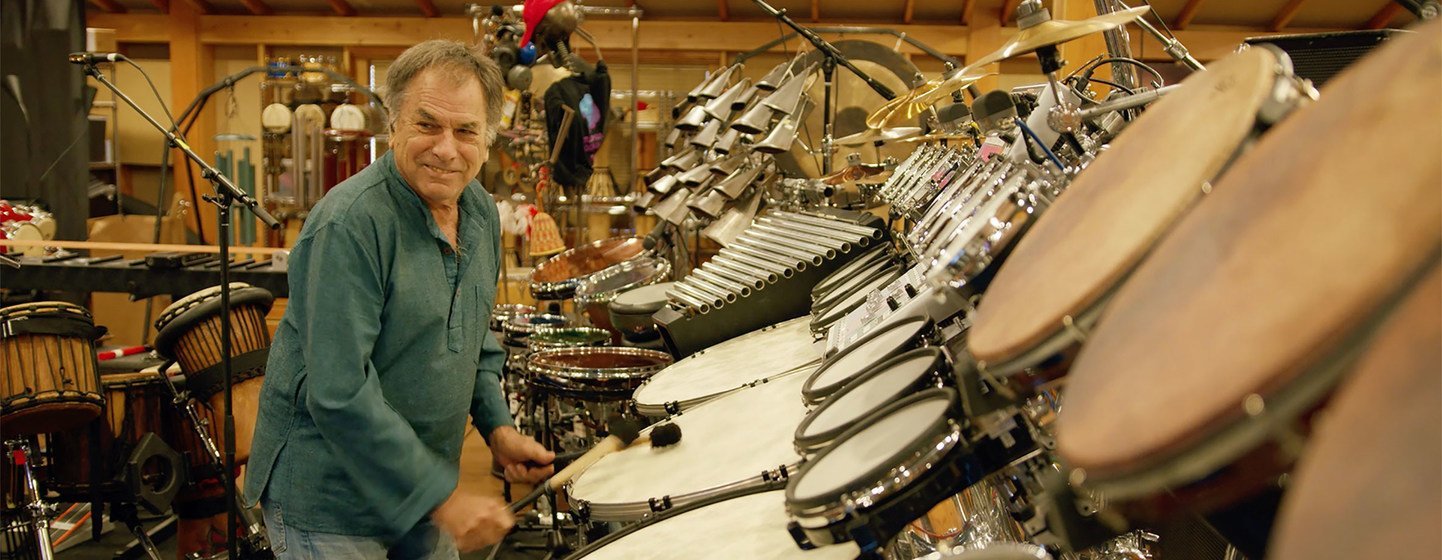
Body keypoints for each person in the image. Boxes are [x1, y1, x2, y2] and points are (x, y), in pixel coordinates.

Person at [244, 40, 555, 559]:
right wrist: (442, 498)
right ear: (393, 126)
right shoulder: (349, 225)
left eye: (465, 131)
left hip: (422, 495)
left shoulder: (477, 212)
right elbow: (340, 392)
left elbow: (472, 342)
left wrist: (498, 427)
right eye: (427, 125)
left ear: (487, 137)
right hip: (333, 504)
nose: (446, 148)